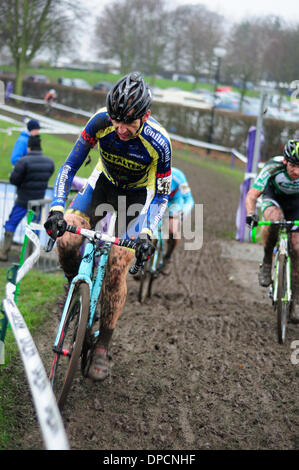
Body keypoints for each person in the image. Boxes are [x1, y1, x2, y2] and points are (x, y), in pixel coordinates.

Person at [44, 71, 172, 381]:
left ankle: (102, 346)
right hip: (102, 184)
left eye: (128, 122)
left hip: (136, 197)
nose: (120, 128)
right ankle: (75, 285)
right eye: (116, 120)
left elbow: (162, 196)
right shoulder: (100, 122)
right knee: (67, 239)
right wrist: (58, 207)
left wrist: (147, 232)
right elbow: (70, 165)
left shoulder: (159, 142)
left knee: (117, 266)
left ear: (146, 115)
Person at [245, 139, 299, 323]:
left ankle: (296, 295)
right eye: (293, 165)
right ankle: (268, 259)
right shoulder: (273, 167)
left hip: (296, 205)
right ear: (285, 161)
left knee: (297, 247)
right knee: (274, 221)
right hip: (274, 199)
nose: (296, 172)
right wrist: (251, 214)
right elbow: (252, 194)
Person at [0, 135, 54, 261]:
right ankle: (30, 256)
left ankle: (4, 252)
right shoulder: (49, 162)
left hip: (23, 201)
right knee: (34, 227)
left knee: (11, 224)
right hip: (38, 202)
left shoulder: (23, 161)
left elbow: (14, 179)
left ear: (28, 147)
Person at [163, 166, 194, 267]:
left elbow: (189, 199)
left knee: (173, 230)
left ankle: (168, 257)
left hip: (174, 202)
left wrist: (183, 213)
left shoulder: (179, 178)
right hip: (159, 198)